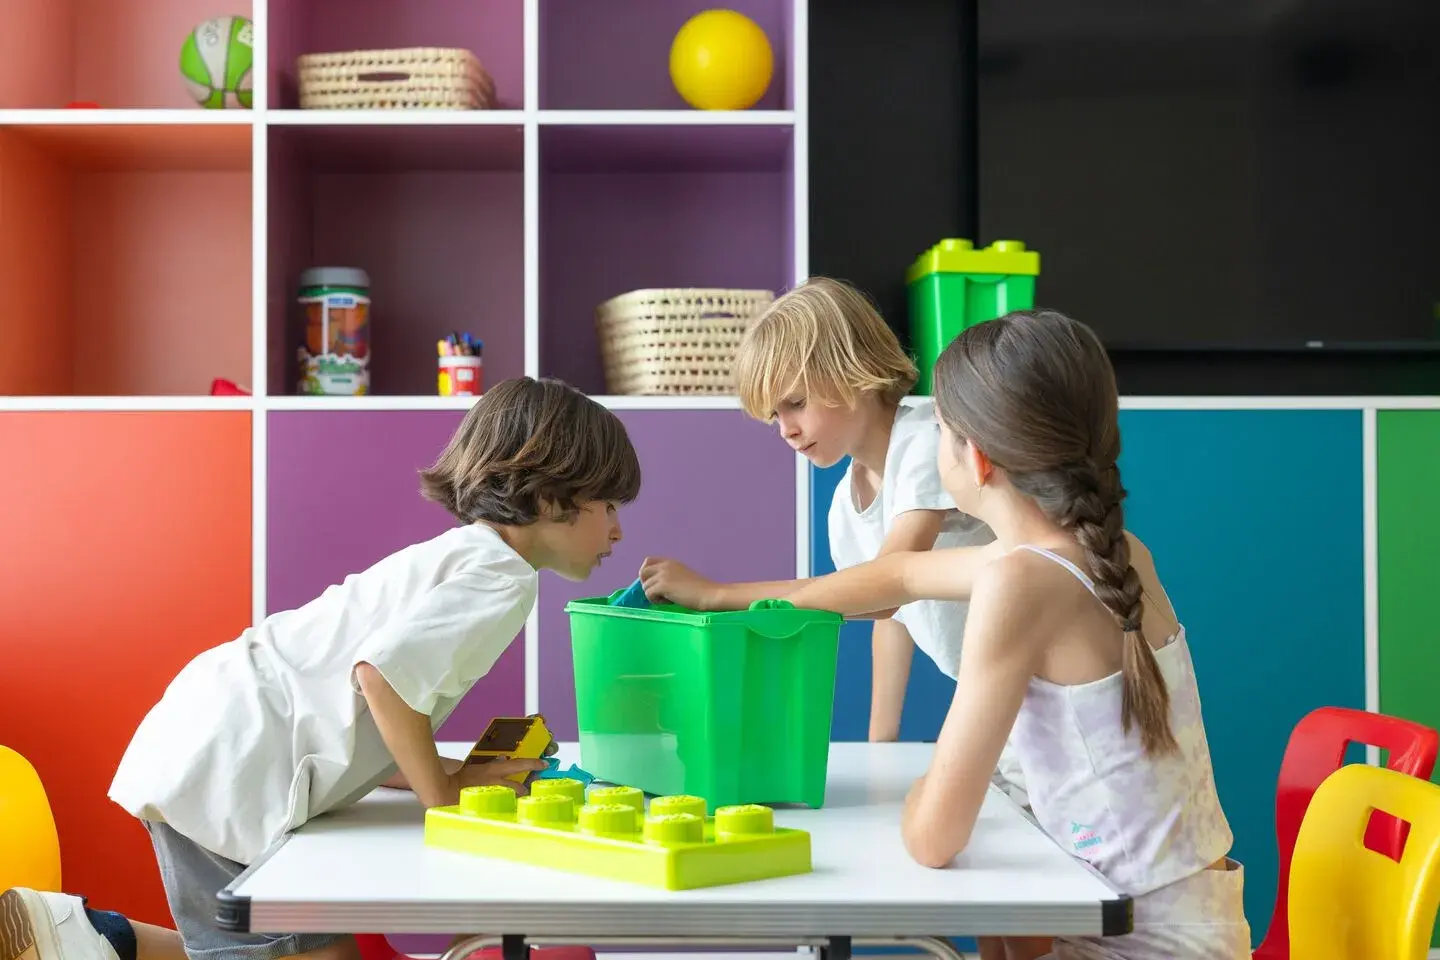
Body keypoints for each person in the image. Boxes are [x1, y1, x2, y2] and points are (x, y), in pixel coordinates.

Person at [3, 377, 642, 960]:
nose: (617, 532)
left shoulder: (465, 556)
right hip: (234, 760)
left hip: (219, 735)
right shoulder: (503, 578)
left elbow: (360, 701)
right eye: (609, 506)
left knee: (261, 950)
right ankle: (75, 938)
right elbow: (382, 678)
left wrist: (439, 771)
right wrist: (442, 796)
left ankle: (83, 936)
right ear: (551, 497)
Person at [779, 310, 1251, 958]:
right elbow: (902, 575)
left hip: (1135, 944)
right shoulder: (1116, 553)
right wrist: (719, 596)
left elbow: (933, 838)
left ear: (974, 457)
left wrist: (919, 794)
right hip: (1198, 927)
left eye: (939, 430)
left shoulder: (1019, 583)